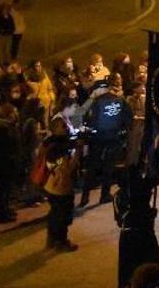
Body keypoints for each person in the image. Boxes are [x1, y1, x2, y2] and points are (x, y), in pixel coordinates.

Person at [82, 74, 133, 206]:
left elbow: (87, 116)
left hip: (97, 137)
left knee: (92, 166)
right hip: (113, 137)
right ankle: (104, 195)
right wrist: (123, 133)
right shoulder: (121, 101)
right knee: (108, 166)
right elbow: (128, 118)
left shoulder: (97, 100)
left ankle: (85, 196)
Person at [43, 116, 84, 251]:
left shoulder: (51, 143)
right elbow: (66, 169)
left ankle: (51, 239)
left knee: (54, 212)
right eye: (63, 126)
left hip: (51, 185)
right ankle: (61, 241)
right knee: (62, 215)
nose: (67, 128)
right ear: (55, 129)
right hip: (60, 186)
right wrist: (78, 151)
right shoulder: (58, 147)